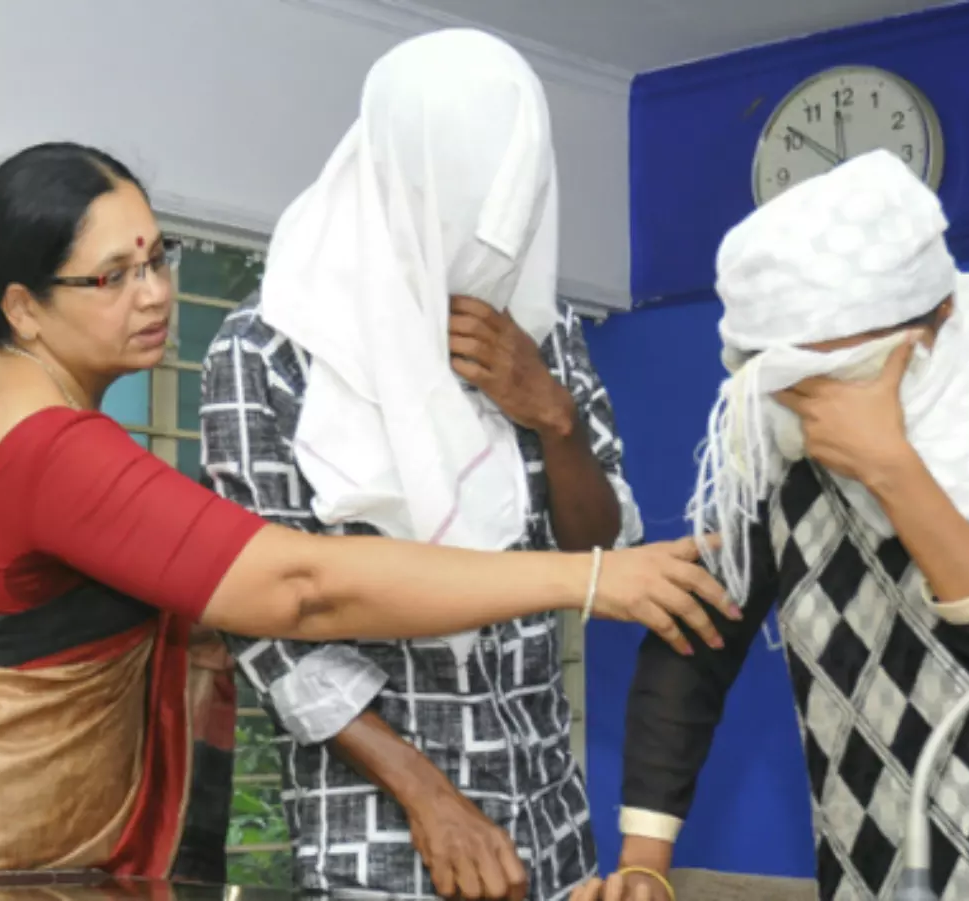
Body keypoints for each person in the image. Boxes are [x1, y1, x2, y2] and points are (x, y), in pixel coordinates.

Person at [0, 141, 737, 880]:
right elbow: (299, 585)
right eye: (112, 277)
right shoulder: (54, 447)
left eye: (157, 257)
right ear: (23, 308)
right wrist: (587, 579)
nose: (154, 292)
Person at [200, 29, 642, 901]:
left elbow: (601, 552)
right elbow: (266, 625)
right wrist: (430, 795)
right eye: (463, 197)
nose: (488, 231)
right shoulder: (270, 348)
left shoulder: (543, 332)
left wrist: (553, 415)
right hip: (382, 834)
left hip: (550, 820)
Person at [574, 150, 969, 901]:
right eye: (787, 381)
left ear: (937, 319)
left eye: (845, 375)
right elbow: (694, 639)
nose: (814, 409)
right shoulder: (783, 447)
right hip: (871, 866)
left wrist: (892, 468)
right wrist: (643, 863)